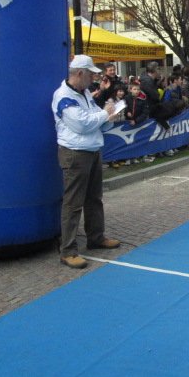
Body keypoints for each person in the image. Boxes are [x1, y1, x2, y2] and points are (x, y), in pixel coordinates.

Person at [52, 55, 121, 269]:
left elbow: (94, 120)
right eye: (91, 74)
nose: (94, 78)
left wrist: (109, 118)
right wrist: (105, 115)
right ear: (80, 73)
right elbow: (82, 125)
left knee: (94, 198)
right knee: (73, 203)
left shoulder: (85, 93)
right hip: (75, 153)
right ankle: (68, 250)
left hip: (91, 150)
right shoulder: (63, 96)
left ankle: (96, 237)